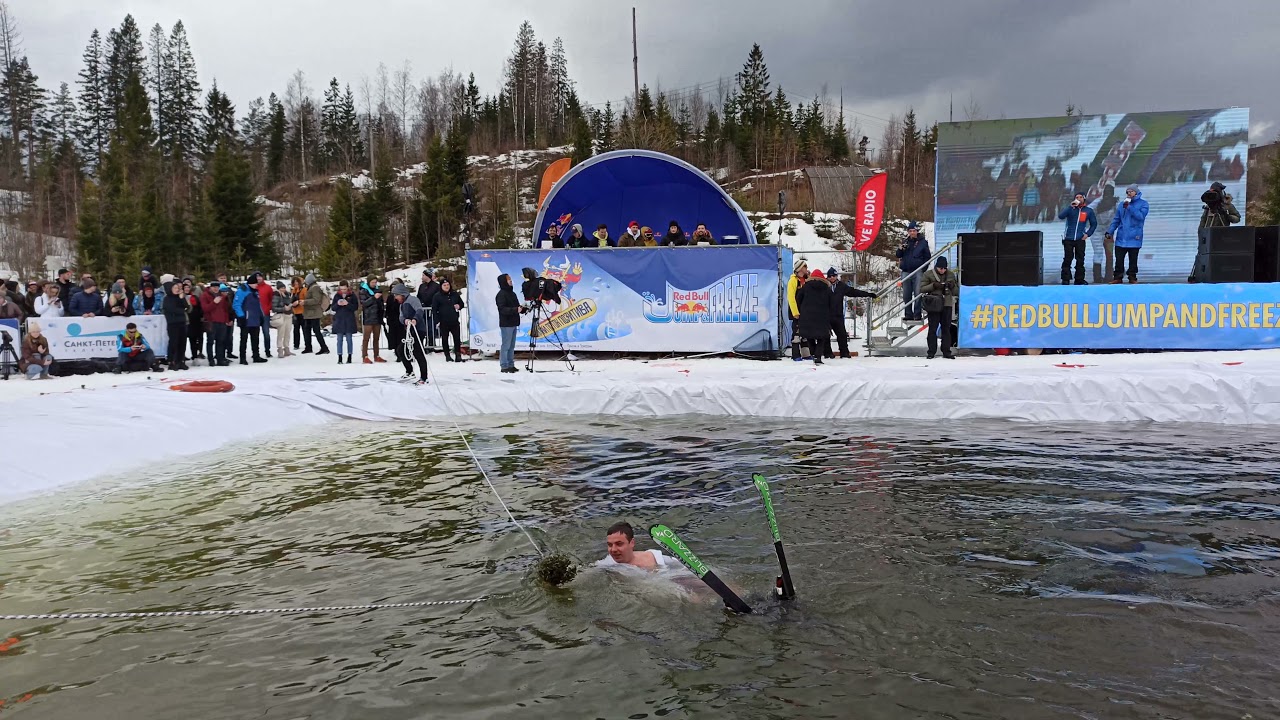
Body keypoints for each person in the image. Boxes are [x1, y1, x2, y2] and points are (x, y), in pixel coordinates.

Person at [1190, 182, 1242, 282]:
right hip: (1208, 236)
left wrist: (1226, 215)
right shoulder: (1208, 207)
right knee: (1205, 257)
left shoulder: (1227, 206)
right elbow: (1203, 222)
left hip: (1222, 237)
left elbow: (1237, 218)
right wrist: (1201, 236)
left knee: (1220, 258)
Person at [826, 267, 875, 359]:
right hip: (826, 315)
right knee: (825, 335)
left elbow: (853, 292)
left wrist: (867, 294)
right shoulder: (824, 285)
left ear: (837, 276)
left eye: (834, 276)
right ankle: (827, 353)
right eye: (830, 276)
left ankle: (844, 353)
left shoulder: (841, 286)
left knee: (842, 335)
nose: (832, 278)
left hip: (838, 316)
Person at [1106, 184, 1149, 284]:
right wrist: (1110, 231)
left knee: (1133, 259)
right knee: (1119, 259)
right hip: (1121, 236)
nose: (1129, 193)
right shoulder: (1122, 204)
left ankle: (1132, 277)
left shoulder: (1143, 204)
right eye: (1127, 192)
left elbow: (1140, 217)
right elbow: (1116, 219)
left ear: (1136, 192)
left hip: (1134, 236)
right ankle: (1118, 277)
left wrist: (1129, 207)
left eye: (1131, 191)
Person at [919, 257, 959, 360]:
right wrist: (933, 286)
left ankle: (946, 351)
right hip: (934, 305)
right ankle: (931, 352)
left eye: (944, 268)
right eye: (940, 268)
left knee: (946, 329)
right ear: (936, 267)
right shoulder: (928, 274)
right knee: (933, 328)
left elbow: (956, 291)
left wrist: (952, 286)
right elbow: (922, 288)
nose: (942, 270)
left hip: (947, 304)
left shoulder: (950, 275)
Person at [392, 285, 430, 385]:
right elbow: (401, 317)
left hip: (419, 330)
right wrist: (405, 320)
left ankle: (424, 377)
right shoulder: (402, 304)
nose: (396, 298)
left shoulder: (413, 299)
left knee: (418, 352)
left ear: (402, 294)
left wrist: (415, 319)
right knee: (400, 350)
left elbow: (419, 310)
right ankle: (409, 371)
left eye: (397, 295)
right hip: (409, 331)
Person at [1058, 191, 1097, 285]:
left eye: (1080, 197)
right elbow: (1061, 216)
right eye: (1077, 197)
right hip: (1068, 238)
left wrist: (1087, 234)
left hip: (1080, 238)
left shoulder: (1088, 210)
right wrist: (1069, 207)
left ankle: (1079, 279)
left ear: (1084, 199)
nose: (1078, 199)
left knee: (1080, 259)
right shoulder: (1070, 209)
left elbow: (1094, 224)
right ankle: (1065, 278)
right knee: (1067, 259)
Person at [895, 221, 930, 322]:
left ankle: (917, 314)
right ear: (908, 232)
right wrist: (900, 249)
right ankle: (908, 314)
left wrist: (923, 269)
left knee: (918, 292)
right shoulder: (905, 241)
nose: (912, 233)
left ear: (917, 231)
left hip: (918, 271)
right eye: (910, 231)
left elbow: (927, 257)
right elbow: (898, 255)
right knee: (906, 294)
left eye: (914, 231)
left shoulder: (923, 242)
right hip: (906, 271)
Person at [795, 268, 832, 365]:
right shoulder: (826, 288)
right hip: (822, 317)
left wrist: (801, 311)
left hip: (807, 317)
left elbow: (798, 300)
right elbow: (832, 303)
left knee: (809, 336)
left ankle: (813, 354)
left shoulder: (805, 287)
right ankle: (818, 357)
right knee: (821, 338)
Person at [598, 521, 671, 569]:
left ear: (632, 543)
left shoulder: (655, 558)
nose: (613, 549)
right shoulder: (607, 563)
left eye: (619, 544)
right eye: (610, 545)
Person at [232, 273, 268, 364]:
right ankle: (242, 358)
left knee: (255, 339)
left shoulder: (255, 291)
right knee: (244, 339)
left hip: (255, 318)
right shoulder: (242, 291)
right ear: (251, 283)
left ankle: (256, 356)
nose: (257, 285)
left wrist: (261, 316)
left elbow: (258, 305)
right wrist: (241, 316)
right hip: (246, 319)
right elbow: (236, 304)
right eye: (255, 284)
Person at [432, 278, 465, 362]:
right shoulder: (437, 296)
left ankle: (458, 355)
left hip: (454, 320)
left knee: (457, 338)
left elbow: (461, 304)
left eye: (448, 285)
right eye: (444, 285)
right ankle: (447, 355)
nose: (446, 287)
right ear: (441, 286)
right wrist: (437, 321)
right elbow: (434, 310)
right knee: (445, 339)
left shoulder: (454, 294)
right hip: (443, 321)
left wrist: (459, 306)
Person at [495, 273, 522, 373]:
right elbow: (502, 309)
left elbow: (517, 306)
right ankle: (504, 365)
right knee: (506, 345)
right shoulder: (501, 294)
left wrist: (522, 308)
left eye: (510, 278)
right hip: (506, 324)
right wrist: (515, 310)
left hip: (514, 322)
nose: (510, 280)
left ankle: (511, 364)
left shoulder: (512, 293)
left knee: (511, 346)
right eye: (508, 279)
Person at [358, 274, 386, 364]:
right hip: (368, 317)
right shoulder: (363, 291)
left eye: (375, 282)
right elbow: (364, 303)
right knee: (366, 338)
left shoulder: (378, 290)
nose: (374, 284)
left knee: (376, 338)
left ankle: (376, 355)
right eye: (372, 282)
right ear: (368, 282)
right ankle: (365, 356)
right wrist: (374, 298)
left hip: (377, 317)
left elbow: (381, 303)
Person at [162, 281, 189, 371]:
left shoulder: (180, 297)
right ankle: (172, 361)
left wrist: (182, 299)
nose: (177, 290)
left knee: (182, 342)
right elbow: (173, 309)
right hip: (173, 323)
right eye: (175, 288)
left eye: (178, 288)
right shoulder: (167, 299)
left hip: (182, 322)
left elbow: (187, 307)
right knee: (174, 342)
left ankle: (181, 360)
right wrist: (182, 309)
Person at [300, 273, 330, 354]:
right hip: (310, 313)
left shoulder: (315, 288)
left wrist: (305, 302)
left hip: (314, 313)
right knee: (307, 330)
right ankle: (308, 347)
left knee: (316, 330)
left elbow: (316, 300)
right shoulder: (312, 287)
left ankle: (324, 348)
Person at [330, 280, 358, 364]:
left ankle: (349, 356)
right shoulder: (337, 296)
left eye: (344, 289)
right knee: (339, 340)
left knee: (349, 339)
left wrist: (347, 304)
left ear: (347, 288)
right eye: (341, 289)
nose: (343, 291)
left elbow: (355, 307)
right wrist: (338, 304)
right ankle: (340, 357)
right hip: (339, 320)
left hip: (349, 320)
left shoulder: (352, 295)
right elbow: (333, 308)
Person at [787, 259, 809, 361]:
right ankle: (795, 354)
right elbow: (791, 297)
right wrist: (795, 312)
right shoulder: (793, 280)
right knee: (796, 333)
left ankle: (806, 354)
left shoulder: (806, 279)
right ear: (800, 268)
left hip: (805, 311)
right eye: (805, 266)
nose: (806, 268)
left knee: (805, 333)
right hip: (797, 311)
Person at [416, 269, 440, 352]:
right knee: (423, 327)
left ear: (427, 276)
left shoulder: (436, 286)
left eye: (423, 275)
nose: (422, 277)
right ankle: (422, 345)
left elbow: (437, 297)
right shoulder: (421, 286)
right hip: (423, 310)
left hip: (432, 310)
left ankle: (430, 344)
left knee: (431, 327)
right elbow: (418, 296)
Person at [386, 281, 408, 369]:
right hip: (392, 320)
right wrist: (387, 318)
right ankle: (397, 353)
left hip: (401, 320)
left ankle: (403, 353)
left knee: (402, 337)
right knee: (394, 338)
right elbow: (388, 309)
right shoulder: (390, 298)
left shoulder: (402, 298)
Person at [271, 281, 295, 358]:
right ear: (278, 289)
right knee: (281, 333)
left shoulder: (287, 295)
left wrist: (291, 306)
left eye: (284, 288)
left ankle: (286, 348)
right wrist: (283, 308)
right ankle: (280, 349)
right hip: (281, 315)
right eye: (281, 288)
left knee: (287, 333)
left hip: (289, 315)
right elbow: (274, 308)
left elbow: (289, 304)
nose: (283, 289)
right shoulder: (276, 295)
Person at [184, 278, 204, 363]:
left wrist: (201, 316)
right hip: (184, 321)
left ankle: (195, 356)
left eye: (188, 287)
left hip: (195, 321)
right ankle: (182, 356)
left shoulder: (194, 297)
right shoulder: (180, 298)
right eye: (185, 288)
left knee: (194, 340)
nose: (187, 289)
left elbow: (200, 307)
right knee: (183, 340)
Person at [256, 272, 274, 357]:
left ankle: (268, 351)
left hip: (265, 314)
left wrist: (268, 308)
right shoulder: (253, 287)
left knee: (266, 333)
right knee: (255, 334)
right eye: (257, 277)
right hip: (255, 314)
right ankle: (256, 352)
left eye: (260, 277)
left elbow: (271, 300)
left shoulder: (268, 287)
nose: (258, 278)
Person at [289, 276, 306, 350]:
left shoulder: (304, 290)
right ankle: (296, 344)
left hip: (303, 312)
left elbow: (306, 300)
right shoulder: (293, 291)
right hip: (295, 312)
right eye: (294, 283)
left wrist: (299, 302)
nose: (296, 284)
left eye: (297, 282)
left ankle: (307, 344)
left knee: (305, 329)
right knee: (296, 329)